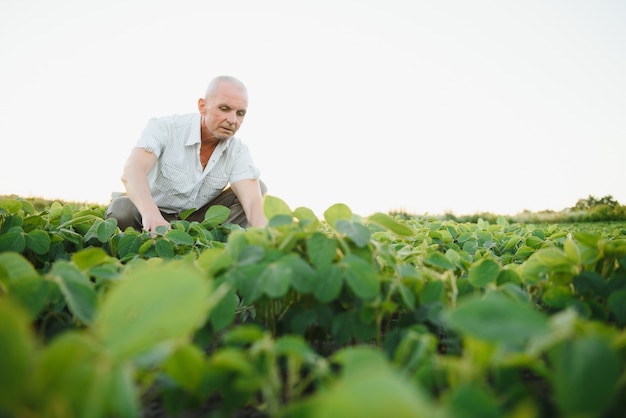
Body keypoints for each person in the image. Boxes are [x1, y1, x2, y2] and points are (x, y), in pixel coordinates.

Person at [105, 75, 267, 232]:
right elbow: (133, 169)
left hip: (196, 222)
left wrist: (276, 239)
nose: (232, 120)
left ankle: (207, 246)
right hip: (149, 212)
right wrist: (151, 214)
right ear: (202, 106)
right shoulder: (166, 128)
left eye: (240, 113)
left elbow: (253, 204)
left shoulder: (238, 151)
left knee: (258, 187)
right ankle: (150, 240)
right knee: (122, 209)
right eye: (224, 109)